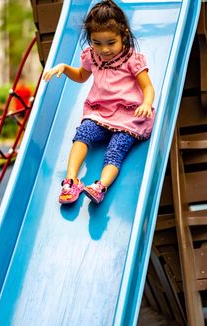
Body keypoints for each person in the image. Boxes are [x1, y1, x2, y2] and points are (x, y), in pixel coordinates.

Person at [43, 0, 155, 204]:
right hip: (100, 112)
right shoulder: (91, 56)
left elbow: (147, 87)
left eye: (111, 43)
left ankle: (100, 186)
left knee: (116, 149)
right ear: (90, 40)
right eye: (97, 43)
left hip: (129, 117)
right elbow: (81, 76)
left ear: (124, 35)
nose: (104, 50)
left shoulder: (132, 59)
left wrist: (146, 104)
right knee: (83, 133)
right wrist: (64, 68)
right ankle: (71, 180)